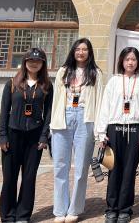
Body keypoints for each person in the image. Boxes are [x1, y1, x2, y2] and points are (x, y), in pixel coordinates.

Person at [50, 38, 105, 223]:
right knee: (60, 166)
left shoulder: (96, 73)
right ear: (73, 52)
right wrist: (53, 124)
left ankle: (74, 209)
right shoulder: (63, 71)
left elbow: (99, 101)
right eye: (78, 49)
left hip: (85, 118)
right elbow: (56, 100)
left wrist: (99, 130)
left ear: (89, 52)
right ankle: (60, 209)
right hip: (63, 117)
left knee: (81, 167)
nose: (81, 52)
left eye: (84, 49)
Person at [96, 47, 139, 223]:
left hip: (134, 129)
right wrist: (101, 132)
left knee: (129, 170)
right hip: (114, 128)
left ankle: (125, 209)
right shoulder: (114, 81)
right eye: (127, 59)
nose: (130, 62)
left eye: (133, 59)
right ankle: (112, 208)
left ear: (138, 62)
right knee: (114, 169)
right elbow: (105, 106)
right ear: (122, 61)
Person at [0, 48, 53, 223]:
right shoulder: (11, 83)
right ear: (25, 62)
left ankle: (23, 215)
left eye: (38, 61)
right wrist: (3, 136)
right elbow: (4, 112)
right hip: (13, 135)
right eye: (31, 60)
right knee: (9, 177)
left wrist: (44, 137)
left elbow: (49, 113)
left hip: (34, 138)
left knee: (29, 178)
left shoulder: (46, 86)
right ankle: (8, 215)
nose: (34, 63)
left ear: (43, 64)